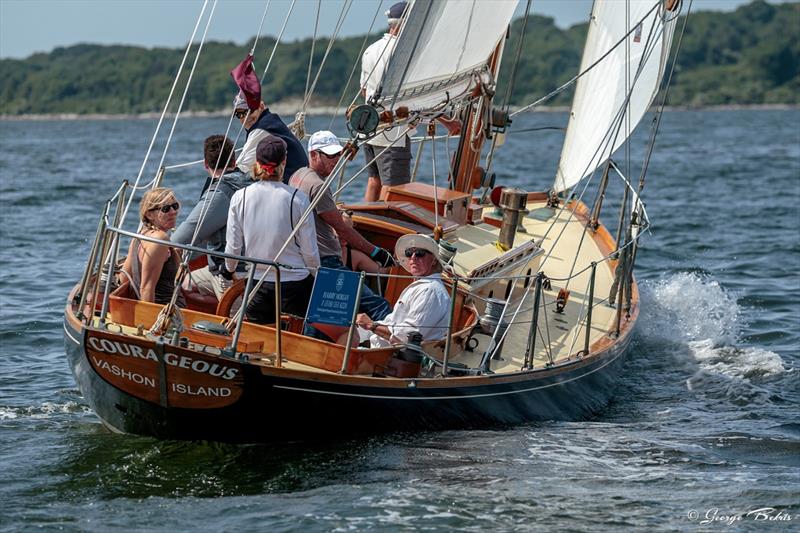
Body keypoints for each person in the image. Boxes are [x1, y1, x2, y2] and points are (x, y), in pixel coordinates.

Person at [288, 130, 392, 323]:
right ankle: (399, 348)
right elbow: (342, 229)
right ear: (313, 155)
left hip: (304, 258)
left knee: (319, 319)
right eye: (330, 155)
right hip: (326, 263)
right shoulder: (318, 185)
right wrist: (376, 251)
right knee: (379, 306)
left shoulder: (297, 176)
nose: (335, 160)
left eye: (337, 154)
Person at [224, 135, 319, 325]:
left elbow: (233, 248)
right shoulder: (298, 199)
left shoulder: (239, 197)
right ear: (284, 161)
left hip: (257, 287)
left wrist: (229, 270)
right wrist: (318, 277)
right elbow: (310, 253)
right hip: (295, 287)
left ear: (257, 162)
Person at [172, 135, 250, 301]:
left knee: (177, 283)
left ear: (205, 164)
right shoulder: (249, 182)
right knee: (186, 283)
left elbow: (182, 237)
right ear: (234, 162)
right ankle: (218, 311)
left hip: (231, 274)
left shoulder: (219, 193)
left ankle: (225, 313)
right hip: (250, 267)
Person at [360, 1, 416, 201]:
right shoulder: (404, 53)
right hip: (393, 131)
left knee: (374, 180)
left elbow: (364, 90)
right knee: (392, 186)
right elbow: (415, 95)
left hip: (369, 125)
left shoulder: (370, 50)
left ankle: (366, 223)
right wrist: (447, 121)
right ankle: (382, 225)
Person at [354, 234, 451, 348]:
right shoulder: (424, 287)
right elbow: (392, 324)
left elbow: (408, 337)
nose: (413, 257)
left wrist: (371, 325)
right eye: (409, 253)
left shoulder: (430, 291)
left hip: (390, 359)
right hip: (383, 351)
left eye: (420, 253)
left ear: (434, 260)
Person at [120, 187, 186, 307]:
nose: (173, 212)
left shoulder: (139, 236)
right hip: (168, 313)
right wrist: (149, 321)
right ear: (149, 214)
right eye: (165, 209)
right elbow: (146, 288)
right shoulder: (160, 240)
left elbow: (124, 278)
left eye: (175, 206)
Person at [233, 92, 308, 184]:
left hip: (290, 188)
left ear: (261, 106)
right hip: (297, 185)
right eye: (239, 114)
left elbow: (242, 168)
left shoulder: (262, 129)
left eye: (250, 111)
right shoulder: (271, 122)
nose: (246, 117)